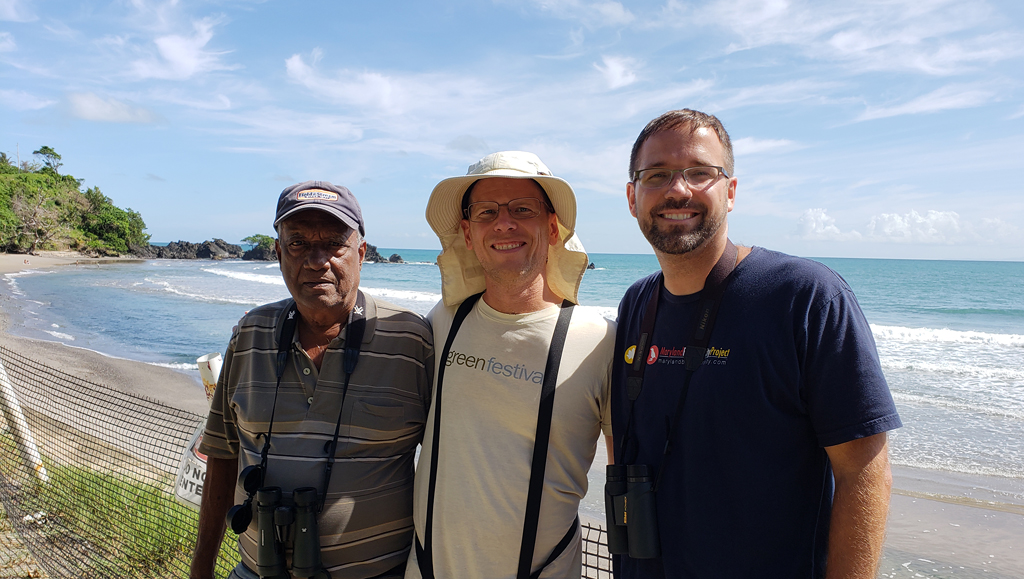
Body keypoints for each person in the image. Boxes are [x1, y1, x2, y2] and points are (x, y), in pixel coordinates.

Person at [611, 110, 901, 579]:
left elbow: (863, 471)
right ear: (632, 197)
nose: (677, 189)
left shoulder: (804, 296)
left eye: (699, 172)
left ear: (730, 191)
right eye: (656, 175)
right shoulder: (636, 304)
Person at [190, 181, 433, 579]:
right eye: (298, 243)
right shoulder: (250, 334)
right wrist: (201, 570)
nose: (317, 261)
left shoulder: (410, 339)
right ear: (278, 253)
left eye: (335, 243)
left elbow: (447, 467)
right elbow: (222, 453)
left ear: (361, 253)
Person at [407, 151, 615, 579]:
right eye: (487, 212)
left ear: (552, 227)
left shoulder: (600, 342)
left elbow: (625, 479)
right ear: (467, 232)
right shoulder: (441, 322)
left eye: (523, 209)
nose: (504, 223)